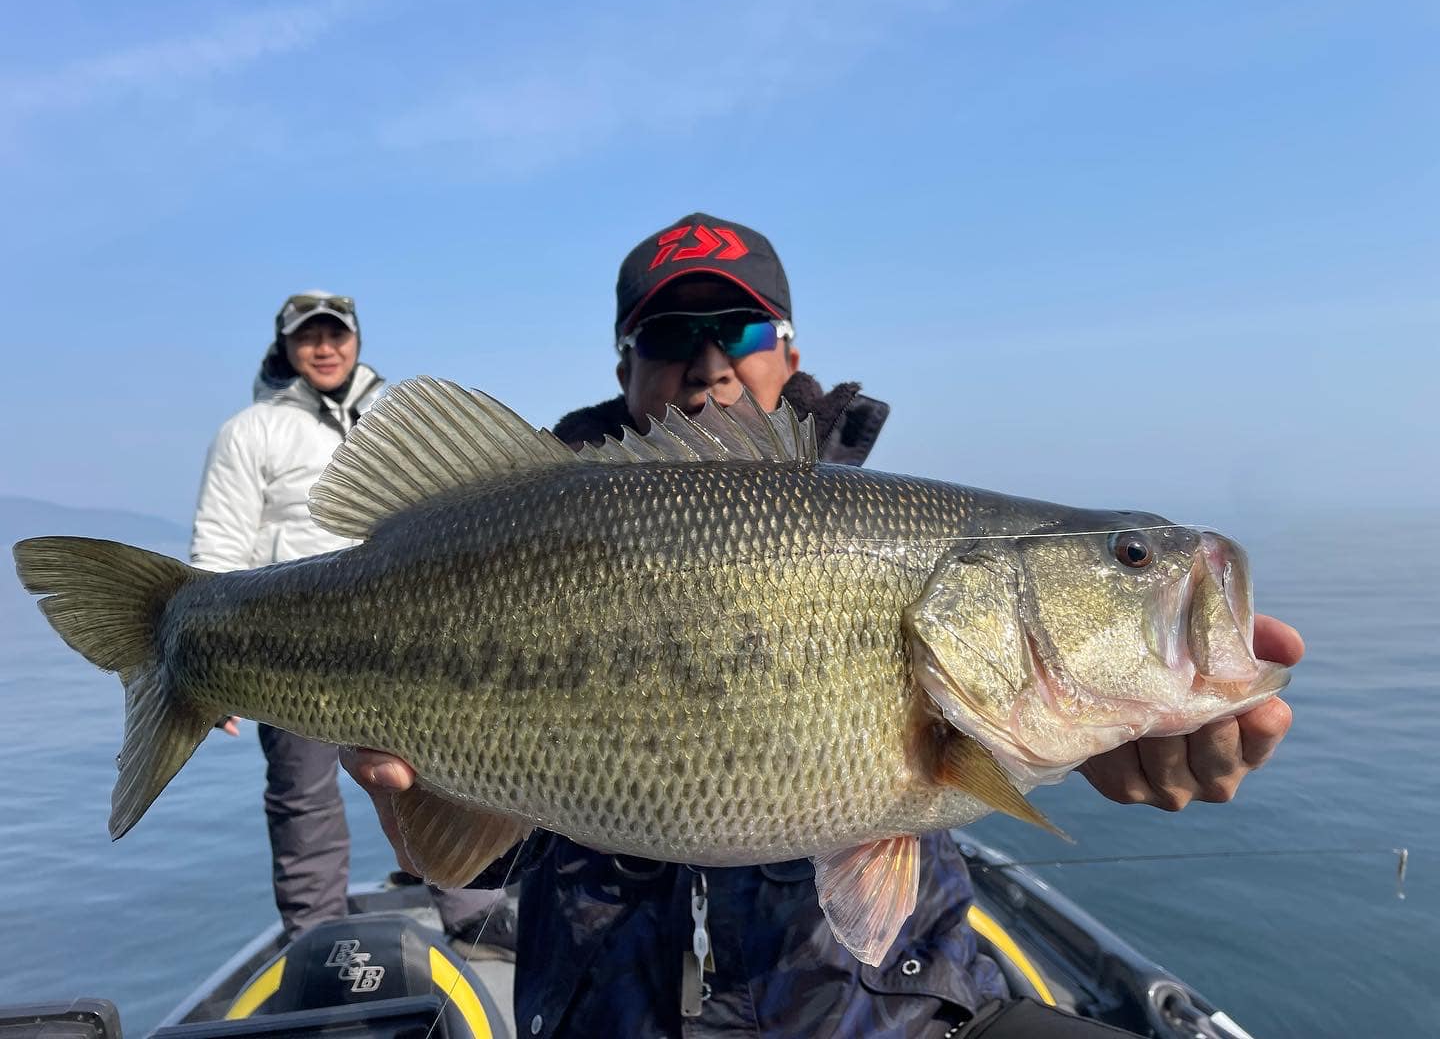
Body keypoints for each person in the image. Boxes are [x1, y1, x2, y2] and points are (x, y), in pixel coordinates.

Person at [342, 217, 1304, 1037]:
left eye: (741, 329)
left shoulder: (889, 538)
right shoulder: (506, 528)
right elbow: (469, 847)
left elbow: (959, 764)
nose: (709, 365)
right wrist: (435, 803)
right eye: (672, 335)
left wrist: (1091, 745)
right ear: (624, 365)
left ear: (790, 356)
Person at [191, 290, 514, 955]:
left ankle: (470, 908)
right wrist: (206, 656)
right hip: (296, 645)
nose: (325, 348)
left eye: (336, 334)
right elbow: (220, 541)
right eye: (308, 336)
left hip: (424, 642)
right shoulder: (250, 430)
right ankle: (317, 932)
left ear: (357, 339)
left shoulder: (389, 415)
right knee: (303, 794)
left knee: (455, 776)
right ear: (285, 346)